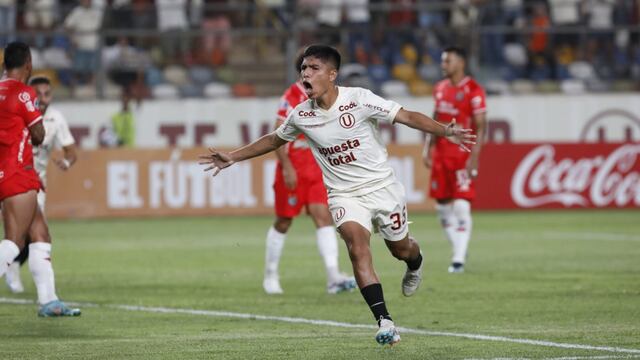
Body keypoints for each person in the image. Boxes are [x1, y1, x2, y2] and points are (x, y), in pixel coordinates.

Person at [200, 44, 474, 346]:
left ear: (332, 75)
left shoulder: (359, 99)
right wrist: (234, 157)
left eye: (313, 68)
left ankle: (415, 263)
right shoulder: (301, 114)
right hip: (344, 195)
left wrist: (444, 132)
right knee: (357, 247)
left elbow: (405, 115)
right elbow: (274, 139)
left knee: (401, 249)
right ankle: (385, 321)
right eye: (303, 68)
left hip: (382, 188)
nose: (305, 73)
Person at [263, 54, 356, 295]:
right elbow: (276, 135)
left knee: (323, 217)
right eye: (311, 68)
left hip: (316, 168)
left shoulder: (326, 95)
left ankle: (333, 275)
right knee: (284, 220)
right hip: (293, 166)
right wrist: (287, 167)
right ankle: (271, 274)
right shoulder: (291, 96)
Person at [0, 41, 80, 317]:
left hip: (8, 171)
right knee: (13, 242)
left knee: (40, 234)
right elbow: (38, 135)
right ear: (28, 64)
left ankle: (49, 301)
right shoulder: (23, 93)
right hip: (17, 172)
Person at [422, 46, 487, 274]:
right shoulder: (439, 88)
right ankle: (460, 247)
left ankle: (458, 259)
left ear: (460, 63)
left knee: (461, 205)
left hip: (462, 155)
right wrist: (427, 147)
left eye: (447, 61)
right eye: (443, 61)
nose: (443, 65)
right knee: (442, 207)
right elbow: (435, 120)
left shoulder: (473, 90)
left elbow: (481, 126)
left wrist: (475, 157)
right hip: (441, 155)